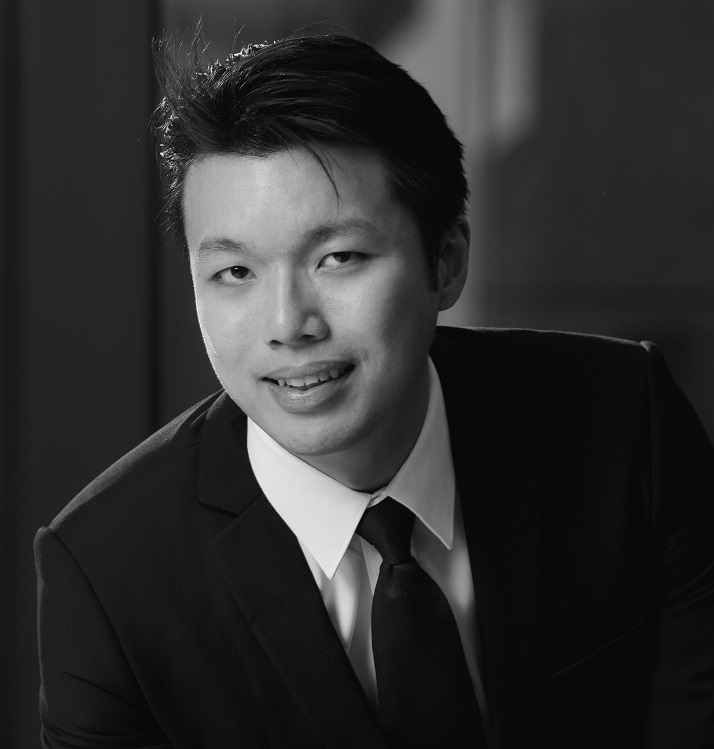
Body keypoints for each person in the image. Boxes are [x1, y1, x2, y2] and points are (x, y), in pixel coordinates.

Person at [34, 32, 714, 749]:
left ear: (446, 261)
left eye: (338, 258)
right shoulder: (108, 574)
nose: (287, 325)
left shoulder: (627, 425)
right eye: (235, 273)